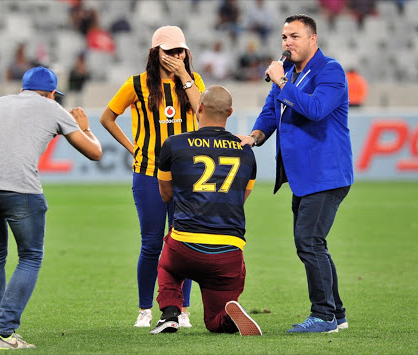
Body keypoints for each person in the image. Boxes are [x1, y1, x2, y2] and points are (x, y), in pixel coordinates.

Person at [0, 66, 102, 349]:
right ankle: (4, 333)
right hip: (18, 186)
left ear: (23, 89)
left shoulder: (1, 103)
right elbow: (95, 153)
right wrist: (86, 127)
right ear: (52, 93)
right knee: (30, 256)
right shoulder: (52, 108)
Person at [238, 14, 354, 333]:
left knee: (308, 241)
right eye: (284, 37)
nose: (287, 43)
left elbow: (315, 109)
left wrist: (282, 83)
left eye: (294, 36)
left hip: (327, 173)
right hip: (303, 176)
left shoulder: (330, 71)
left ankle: (323, 315)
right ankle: (337, 313)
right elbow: (269, 113)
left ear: (313, 39)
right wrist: (255, 136)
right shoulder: (287, 73)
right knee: (314, 242)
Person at [100, 25, 205, 328]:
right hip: (147, 172)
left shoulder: (193, 80)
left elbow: (203, 112)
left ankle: (182, 309)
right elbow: (108, 117)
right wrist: (132, 148)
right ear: (155, 53)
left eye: (180, 50)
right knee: (151, 243)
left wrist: (185, 76)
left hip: (185, 174)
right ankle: (145, 308)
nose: (176, 56)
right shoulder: (136, 84)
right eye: (169, 51)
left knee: (183, 242)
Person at [150, 86, 261, 336]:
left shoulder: (175, 144)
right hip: (229, 251)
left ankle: (170, 313)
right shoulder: (245, 151)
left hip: (185, 245)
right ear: (230, 113)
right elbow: (241, 198)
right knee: (214, 322)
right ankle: (228, 317)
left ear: (198, 108)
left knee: (167, 266)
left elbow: (166, 194)